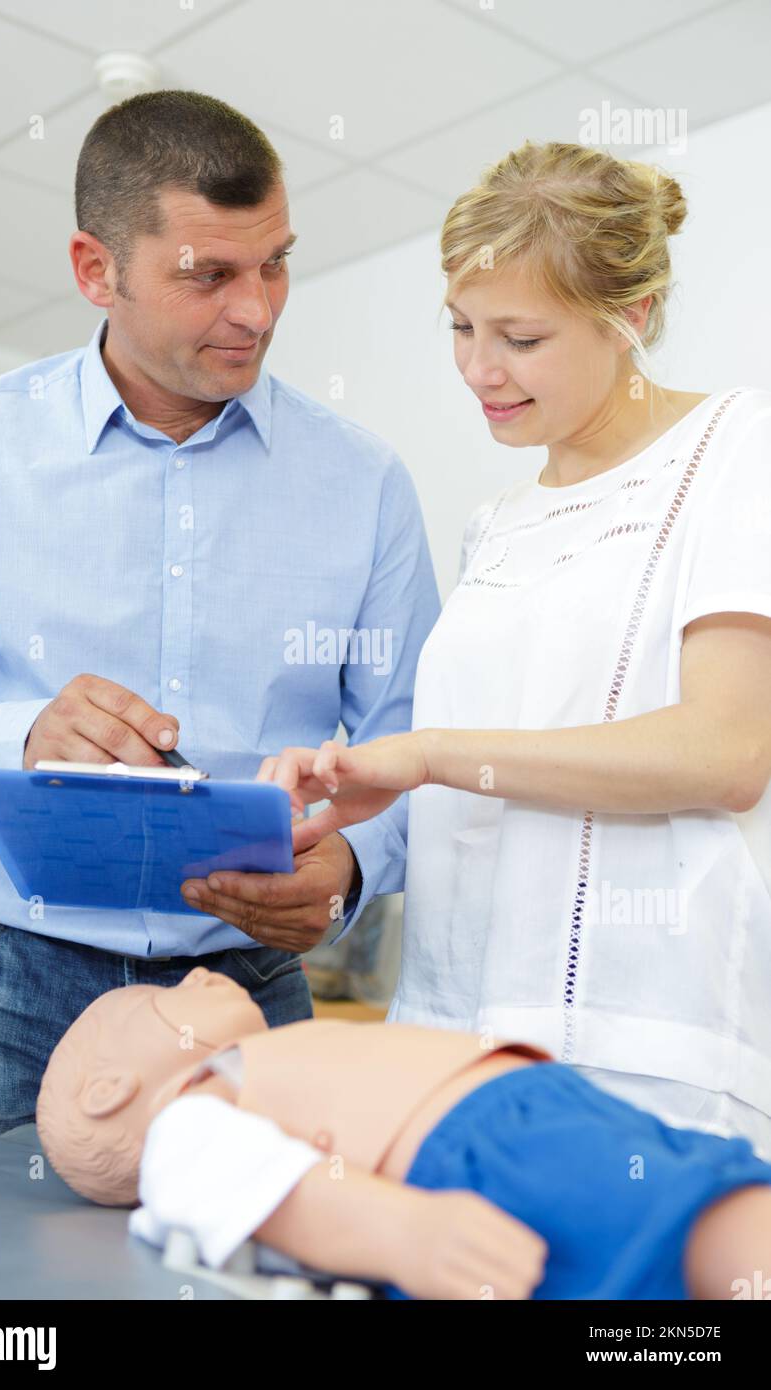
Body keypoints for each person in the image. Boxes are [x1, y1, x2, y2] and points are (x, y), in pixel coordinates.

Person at [0, 90, 440, 1134]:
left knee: (246, 1284)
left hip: (242, 988)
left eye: (275, 261)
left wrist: (354, 867)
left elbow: (411, 749)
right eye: (210, 275)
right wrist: (18, 735)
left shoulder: (365, 483)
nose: (260, 310)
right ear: (94, 270)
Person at [244, 141, 771, 1159]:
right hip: (455, 1039)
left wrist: (433, 752)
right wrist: (361, 788)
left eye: (519, 337)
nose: (477, 369)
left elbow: (727, 751)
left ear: (632, 319)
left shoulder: (735, 452)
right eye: (459, 326)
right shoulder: (496, 522)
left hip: (642, 1043)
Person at [35, 966, 771, 1301]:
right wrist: (402, 1233)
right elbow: (256, 1184)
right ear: (111, 1093)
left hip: (540, 1114)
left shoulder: (259, 1070)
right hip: (489, 1158)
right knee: (700, 1224)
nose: (197, 973)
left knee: (712, 1203)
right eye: (166, 998)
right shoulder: (190, 1121)